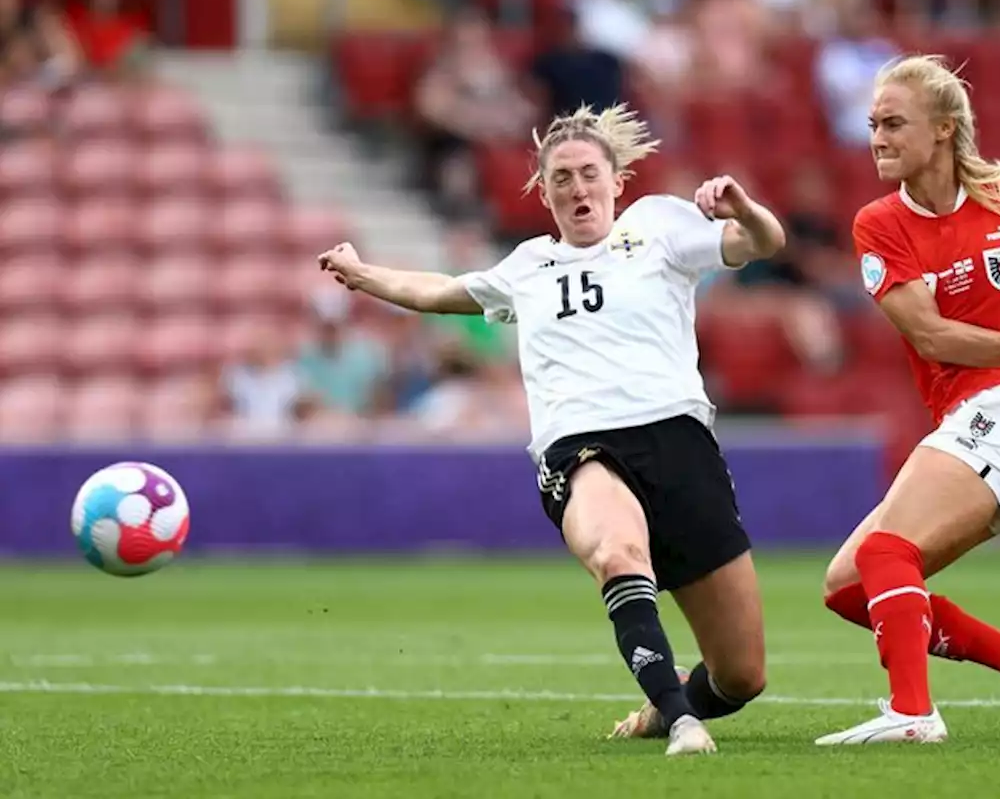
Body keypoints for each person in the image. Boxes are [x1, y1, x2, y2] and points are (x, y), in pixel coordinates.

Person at [317, 104, 786, 756]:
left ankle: (668, 710)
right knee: (617, 554)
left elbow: (761, 244)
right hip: (581, 446)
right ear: (543, 191)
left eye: (588, 173)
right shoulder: (527, 267)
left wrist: (744, 209)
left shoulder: (659, 227)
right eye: (560, 178)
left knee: (742, 674)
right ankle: (680, 718)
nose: (577, 188)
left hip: (678, 442)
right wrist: (365, 275)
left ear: (617, 180)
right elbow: (439, 290)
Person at [815, 55, 1000, 746]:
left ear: (945, 129)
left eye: (894, 123)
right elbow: (932, 336)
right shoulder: (880, 223)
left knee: (886, 550)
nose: (878, 138)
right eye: (872, 126)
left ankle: (913, 712)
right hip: (975, 412)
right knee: (847, 586)